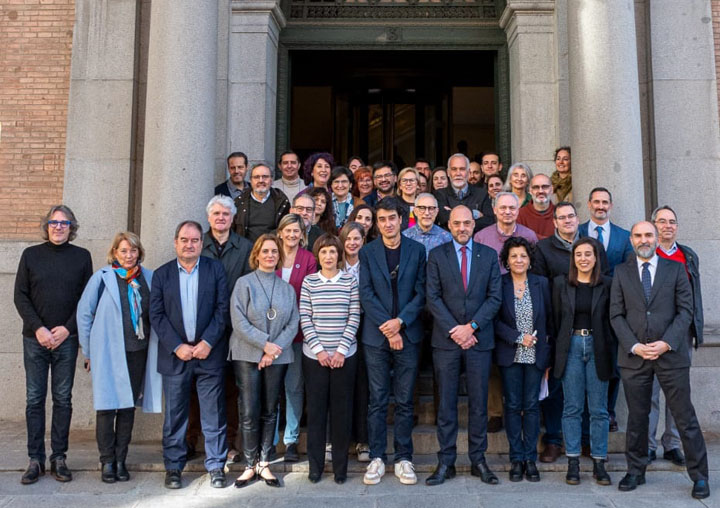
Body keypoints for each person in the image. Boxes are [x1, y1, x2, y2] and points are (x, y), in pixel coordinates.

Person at [611, 221, 709, 499]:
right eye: (639, 235)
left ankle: (700, 476)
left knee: (684, 416)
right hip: (635, 357)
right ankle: (636, 470)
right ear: (631, 240)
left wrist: (666, 343)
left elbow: (685, 311)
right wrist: (634, 346)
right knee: (638, 418)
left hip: (671, 356)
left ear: (657, 238)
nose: (644, 240)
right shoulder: (621, 272)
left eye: (649, 235)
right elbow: (615, 315)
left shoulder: (676, 269)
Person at [14, 205, 93, 484]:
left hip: (67, 340)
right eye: (54, 222)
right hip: (34, 340)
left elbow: (86, 300)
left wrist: (67, 329)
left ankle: (59, 457)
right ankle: (35, 459)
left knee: (63, 399)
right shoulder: (30, 255)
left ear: (72, 227)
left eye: (64, 222)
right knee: (35, 399)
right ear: (46, 226)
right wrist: (40, 329)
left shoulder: (82, 257)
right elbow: (20, 297)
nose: (58, 227)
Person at [76, 232, 162, 483]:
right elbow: (84, 314)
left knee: (126, 407)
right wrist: (88, 351)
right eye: (123, 250)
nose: (128, 255)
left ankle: (121, 460)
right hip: (107, 352)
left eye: (133, 250)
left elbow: (155, 313)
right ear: (114, 252)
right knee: (106, 407)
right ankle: (107, 461)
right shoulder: (101, 278)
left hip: (138, 352)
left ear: (139, 253)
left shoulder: (149, 278)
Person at [425, 205, 502, 486]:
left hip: (479, 340)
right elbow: (432, 297)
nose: (462, 228)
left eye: (467, 223)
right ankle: (446, 462)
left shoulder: (489, 256)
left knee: (479, 404)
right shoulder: (436, 256)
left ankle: (478, 460)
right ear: (449, 225)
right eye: (456, 223)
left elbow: (495, 297)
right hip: (446, 342)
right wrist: (455, 330)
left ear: (474, 225)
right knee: (446, 404)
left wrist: (471, 327)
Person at [150, 221, 230, 490]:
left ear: (201, 244)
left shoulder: (214, 269)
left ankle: (216, 465)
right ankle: (173, 467)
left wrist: (208, 341)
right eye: (184, 240)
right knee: (175, 416)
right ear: (176, 243)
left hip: (209, 355)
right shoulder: (161, 275)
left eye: (195, 240)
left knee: (213, 413)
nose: (189, 244)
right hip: (176, 357)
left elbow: (222, 309)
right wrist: (176, 345)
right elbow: (156, 316)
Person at [532, 201, 608, 464]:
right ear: (554, 222)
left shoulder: (593, 247)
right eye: (561, 217)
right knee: (558, 392)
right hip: (560, 330)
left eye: (571, 216)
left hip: (593, 336)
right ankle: (554, 440)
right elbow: (541, 291)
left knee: (592, 396)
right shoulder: (543, 249)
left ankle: (587, 442)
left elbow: (604, 290)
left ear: (578, 219)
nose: (567, 221)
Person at [359, 197, 426, 486]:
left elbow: (421, 293)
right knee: (376, 399)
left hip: (408, 334)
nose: (387, 223)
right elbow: (366, 293)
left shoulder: (417, 249)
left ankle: (403, 458)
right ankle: (376, 456)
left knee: (405, 399)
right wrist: (389, 327)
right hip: (376, 336)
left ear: (402, 219)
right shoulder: (368, 252)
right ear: (377, 223)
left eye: (392, 218)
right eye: (382, 219)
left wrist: (400, 323)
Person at [186, 195, 253, 463]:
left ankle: (229, 443)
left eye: (226, 214)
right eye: (216, 214)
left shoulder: (246, 247)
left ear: (233, 218)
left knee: (230, 388)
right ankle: (191, 439)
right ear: (209, 217)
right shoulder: (197, 246)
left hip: (235, 328)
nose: (221, 218)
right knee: (192, 387)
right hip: (201, 330)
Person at [229, 234, 299, 489]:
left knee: (270, 410)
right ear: (256, 254)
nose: (270, 255)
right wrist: (264, 346)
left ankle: (264, 462)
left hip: (277, 357)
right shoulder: (243, 284)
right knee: (249, 410)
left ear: (279, 256)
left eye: (274, 252)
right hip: (247, 354)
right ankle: (249, 465)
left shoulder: (286, 288)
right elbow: (239, 321)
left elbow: (293, 322)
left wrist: (273, 351)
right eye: (265, 251)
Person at [552, 238, 614, 486]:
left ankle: (599, 462)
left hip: (598, 347)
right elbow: (556, 320)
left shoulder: (607, 285)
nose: (584, 259)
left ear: (596, 257)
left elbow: (612, 320)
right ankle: (573, 462)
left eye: (588, 254)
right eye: (579, 254)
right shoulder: (560, 284)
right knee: (572, 407)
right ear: (573, 258)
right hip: (572, 347)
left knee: (599, 410)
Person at [300, 234, 361, 484]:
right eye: (324, 252)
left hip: (344, 356)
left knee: (341, 413)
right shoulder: (309, 282)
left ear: (339, 255)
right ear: (318, 255)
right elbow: (305, 317)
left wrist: (340, 350)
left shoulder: (349, 281)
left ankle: (340, 468)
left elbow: (354, 316)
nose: (328, 256)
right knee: (315, 413)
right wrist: (320, 351)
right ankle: (315, 466)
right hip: (315, 357)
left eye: (333, 252)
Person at [648, 205, 704, 466]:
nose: (667, 226)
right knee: (650, 393)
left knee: (677, 395)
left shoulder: (688, 256)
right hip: (650, 336)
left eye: (672, 221)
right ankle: (647, 445)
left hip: (680, 336)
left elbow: (693, 300)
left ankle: (671, 443)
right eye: (662, 221)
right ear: (653, 225)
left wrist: (695, 331)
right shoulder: (646, 254)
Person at [495, 237, 552, 483]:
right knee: (512, 405)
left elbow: (550, 320)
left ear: (530, 260)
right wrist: (518, 337)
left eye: (523, 256)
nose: (519, 260)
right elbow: (494, 321)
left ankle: (530, 459)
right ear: (507, 261)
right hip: (511, 354)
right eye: (514, 256)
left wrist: (549, 358)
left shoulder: (542, 284)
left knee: (530, 406)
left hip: (536, 356)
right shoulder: (499, 283)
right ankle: (516, 458)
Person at [578, 186, 632, 433]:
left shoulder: (624, 236)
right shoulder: (576, 232)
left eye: (605, 202)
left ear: (610, 206)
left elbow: (629, 271)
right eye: (596, 202)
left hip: (612, 308)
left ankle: (608, 412)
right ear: (589, 204)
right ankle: (584, 413)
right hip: (581, 307)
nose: (600, 206)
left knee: (612, 363)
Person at [275, 214, 317, 463]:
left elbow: (308, 295)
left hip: (298, 333)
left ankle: (290, 439)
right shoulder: (270, 252)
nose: (292, 235)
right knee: (270, 387)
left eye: (296, 231)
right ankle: (268, 440)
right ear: (280, 232)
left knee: (293, 386)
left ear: (303, 234)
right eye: (287, 230)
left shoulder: (308, 259)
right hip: (270, 336)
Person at [339, 222, 370, 462]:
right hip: (338, 331)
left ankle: (362, 440)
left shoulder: (369, 263)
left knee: (363, 385)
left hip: (366, 326)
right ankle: (340, 438)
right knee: (341, 385)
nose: (352, 243)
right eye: (348, 238)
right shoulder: (333, 264)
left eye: (357, 238)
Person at [474, 192, 538, 275]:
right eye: (503, 208)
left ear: (518, 211)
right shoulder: (481, 237)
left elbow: (535, 267)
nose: (507, 212)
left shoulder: (529, 236)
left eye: (512, 208)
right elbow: (477, 269)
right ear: (495, 210)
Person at [434, 153, 494, 233]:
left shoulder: (482, 194)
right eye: (454, 169)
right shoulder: (440, 194)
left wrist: (452, 213)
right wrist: (474, 213)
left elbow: (489, 221)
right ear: (448, 172)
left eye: (462, 169)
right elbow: (443, 218)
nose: (458, 173)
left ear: (468, 172)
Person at [233, 163, 291, 243]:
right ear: (251, 180)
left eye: (265, 177)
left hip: (273, 251)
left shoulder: (282, 202)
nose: (261, 180)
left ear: (271, 180)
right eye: (256, 177)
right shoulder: (239, 203)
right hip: (246, 252)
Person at [402, 193, 452, 259]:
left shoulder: (447, 238)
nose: (427, 213)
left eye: (431, 208)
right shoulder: (405, 237)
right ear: (415, 211)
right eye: (422, 208)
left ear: (437, 211)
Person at [517, 174, 555, 240]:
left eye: (545, 187)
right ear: (530, 191)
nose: (540, 191)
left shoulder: (560, 213)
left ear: (552, 189)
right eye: (536, 187)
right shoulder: (520, 215)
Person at [329, 166, 364, 230]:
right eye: (336, 182)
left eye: (344, 181)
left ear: (350, 184)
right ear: (331, 185)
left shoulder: (360, 203)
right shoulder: (325, 202)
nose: (340, 185)